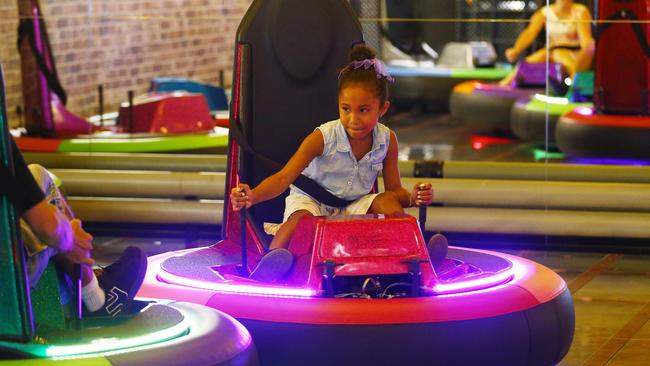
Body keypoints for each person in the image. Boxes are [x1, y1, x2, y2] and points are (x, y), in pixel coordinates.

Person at [230, 44, 448, 282]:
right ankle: (270, 263)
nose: (353, 119)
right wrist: (252, 196)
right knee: (301, 219)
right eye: (346, 109)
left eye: (363, 110)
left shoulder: (388, 139)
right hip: (311, 201)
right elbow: (284, 178)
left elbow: (394, 190)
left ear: (382, 108)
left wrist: (414, 198)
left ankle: (417, 252)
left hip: (353, 203)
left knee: (387, 200)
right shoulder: (323, 137)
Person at [6, 136, 147, 318]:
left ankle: (91, 290)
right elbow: (46, 226)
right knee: (41, 177)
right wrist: (72, 240)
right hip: (8, 277)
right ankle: (97, 300)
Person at [500, 0, 594, 86]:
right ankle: (502, 86)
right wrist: (516, 49)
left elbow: (585, 41)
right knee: (525, 64)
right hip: (550, 51)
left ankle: (576, 91)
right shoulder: (544, 12)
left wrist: (585, 57)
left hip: (572, 51)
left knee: (568, 62)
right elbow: (530, 32)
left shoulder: (580, 11)